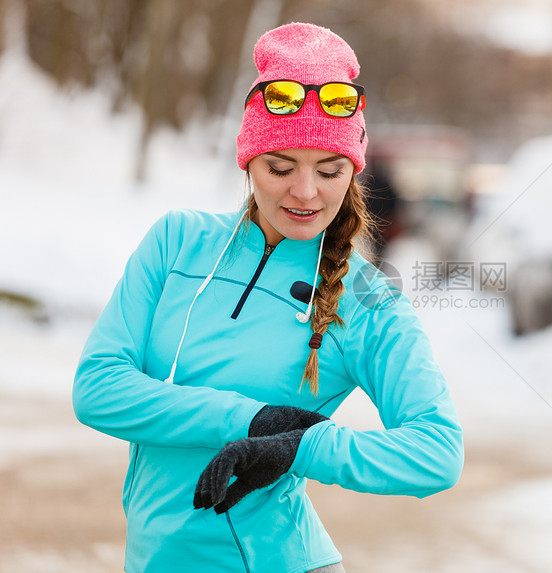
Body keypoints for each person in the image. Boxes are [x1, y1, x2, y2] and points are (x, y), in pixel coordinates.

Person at [73, 22, 463, 573]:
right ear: (248, 160)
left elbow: (437, 453)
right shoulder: (177, 241)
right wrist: (252, 420)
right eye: (281, 168)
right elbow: (98, 389)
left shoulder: (369, 300)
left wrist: (297, 446)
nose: (305, 193)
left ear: (352, 173)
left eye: (330, 171)